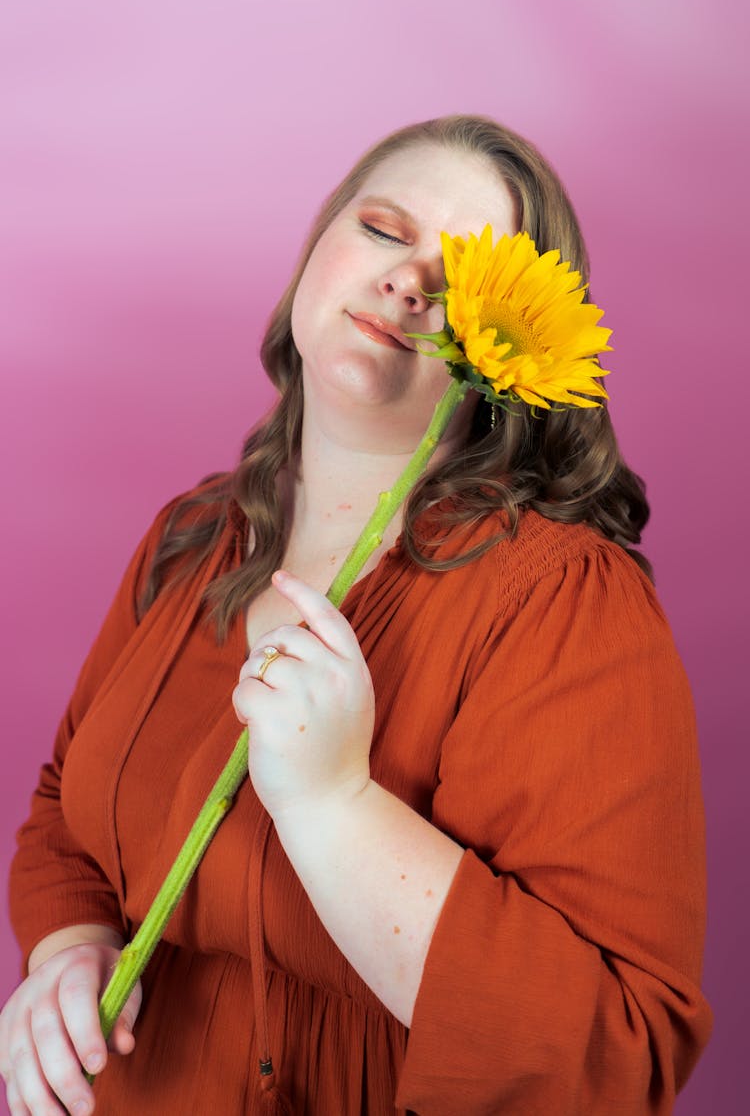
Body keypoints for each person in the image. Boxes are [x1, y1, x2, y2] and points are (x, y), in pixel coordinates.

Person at [1, 115, 711, 1115]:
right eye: (383, 229)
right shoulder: (192, 538)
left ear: (513, 363)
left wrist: (335, 807)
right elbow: (62, 819)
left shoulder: (564, 603)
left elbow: (611, 1058)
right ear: (314, 254)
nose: (412, 280)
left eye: (466, 279)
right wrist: (69, 955)